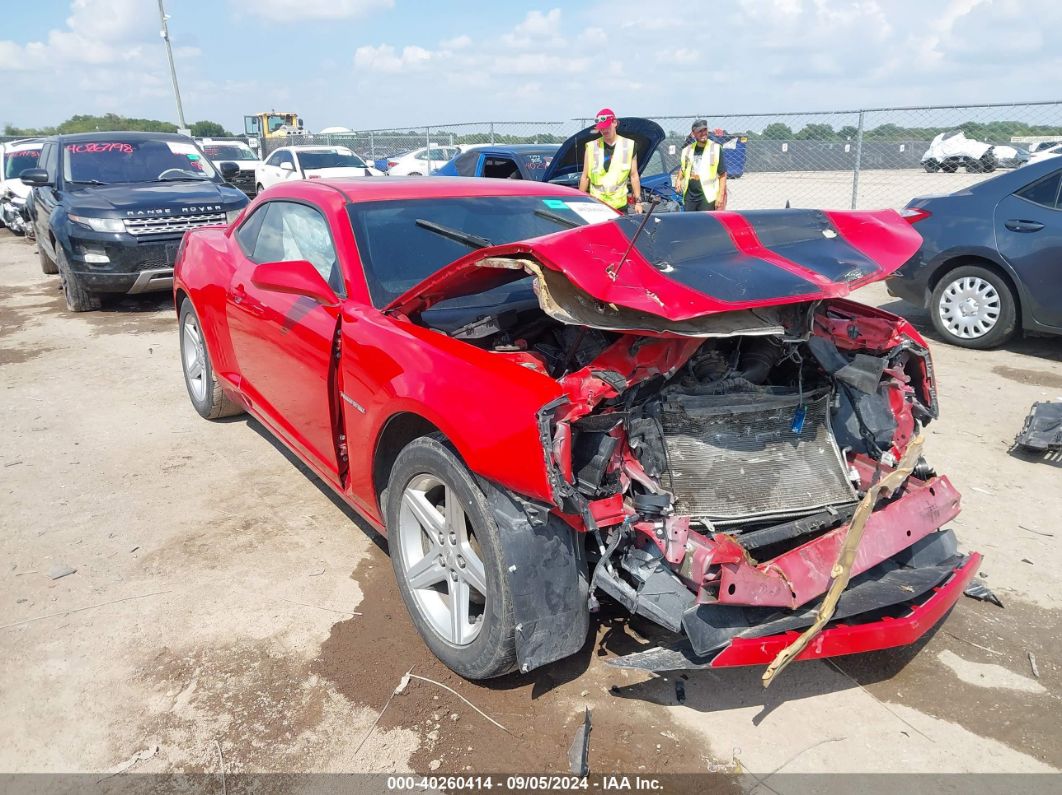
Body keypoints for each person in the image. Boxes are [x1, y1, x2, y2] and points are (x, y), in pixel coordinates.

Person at [579, 108, 643, 214]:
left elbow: (634, 176)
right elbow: (585, 177)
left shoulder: (629, 145)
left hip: (619, 206)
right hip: (596, 205)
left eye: (606, 126)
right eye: (601, 128)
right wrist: (580, 202)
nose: (604, 130)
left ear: (614, 123)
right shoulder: (591, 146)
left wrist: (638, 202)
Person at [675, 119, 727, 211]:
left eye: (705, 130)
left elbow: (722, 174)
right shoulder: (687, 150)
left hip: (707, 197)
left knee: (706, 224)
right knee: (690, 224)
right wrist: (678, 179)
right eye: (700, 131)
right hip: (690, 197)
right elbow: (683, 168)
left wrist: (720, 196)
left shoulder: (716, 149)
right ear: (693, 134)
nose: (703, 133)